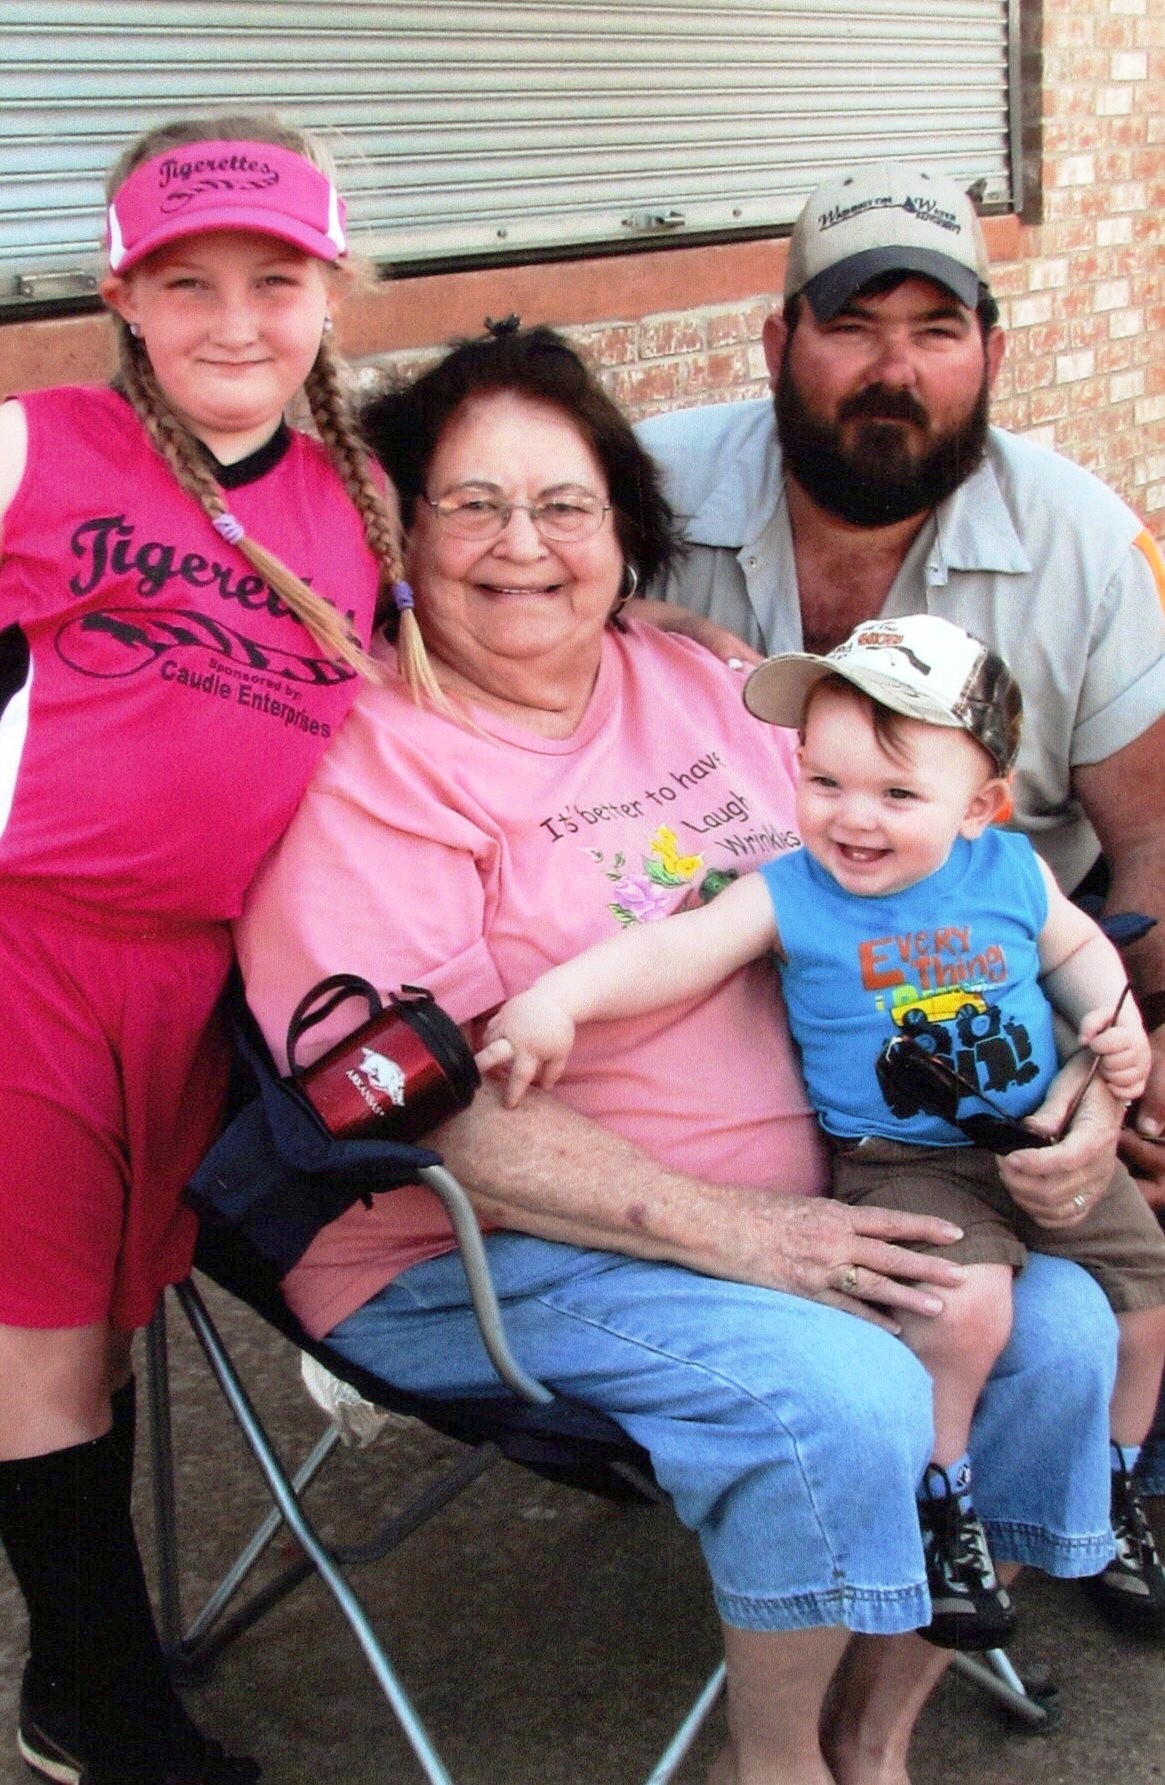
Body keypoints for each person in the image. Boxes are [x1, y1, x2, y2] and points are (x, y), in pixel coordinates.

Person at [236, 324, 1124, 1785]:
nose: (524, 545)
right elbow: (423, 1108)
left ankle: (871, 1735)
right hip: (491, 1245)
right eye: (472, 505)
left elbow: (945, 901)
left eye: (565, 504)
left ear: (624, 528)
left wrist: (1076, 1094)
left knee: (1066, 1333)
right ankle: (770, 1764)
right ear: (398, 531)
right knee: (848, 1391)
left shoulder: (711, 687)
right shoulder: (365, 765)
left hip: (850, 1179)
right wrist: (744, 1233)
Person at [478, 612, 1165, 1644]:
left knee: (1145, 1301)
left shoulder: (1010, 872)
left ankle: (1113, 1486)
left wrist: (1113, 1030)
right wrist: (557, 1001)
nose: (852, 817)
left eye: (896, 795)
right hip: (904, 1160)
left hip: (1037, 1136)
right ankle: (941, 1502)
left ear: (979, 806)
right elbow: (675, 951)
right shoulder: (792, 893)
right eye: (824, 781)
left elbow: (1075, 951)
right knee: (962, 1309)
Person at [0, 112, 418, 1785]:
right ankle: (108, 1715)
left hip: (205, 982)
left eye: (274, 281)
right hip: (32, 953)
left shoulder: (358, 500)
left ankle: (75, 1667)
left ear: (332, 292)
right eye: (187, 283)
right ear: (121, 294)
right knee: (37, 1342)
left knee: (99, 1336)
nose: (234, 323)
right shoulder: (36, 446)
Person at [636, 162, 1165, 1217]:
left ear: (992, 354)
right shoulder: (641, 495)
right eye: (852, 327)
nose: (895, 371)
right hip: (702, 1050)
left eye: (936, 331)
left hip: (997, 1038)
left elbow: (1152, 833)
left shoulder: (1086, 547)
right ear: (777, 344)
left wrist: (1135, 1050)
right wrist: (653, 622)